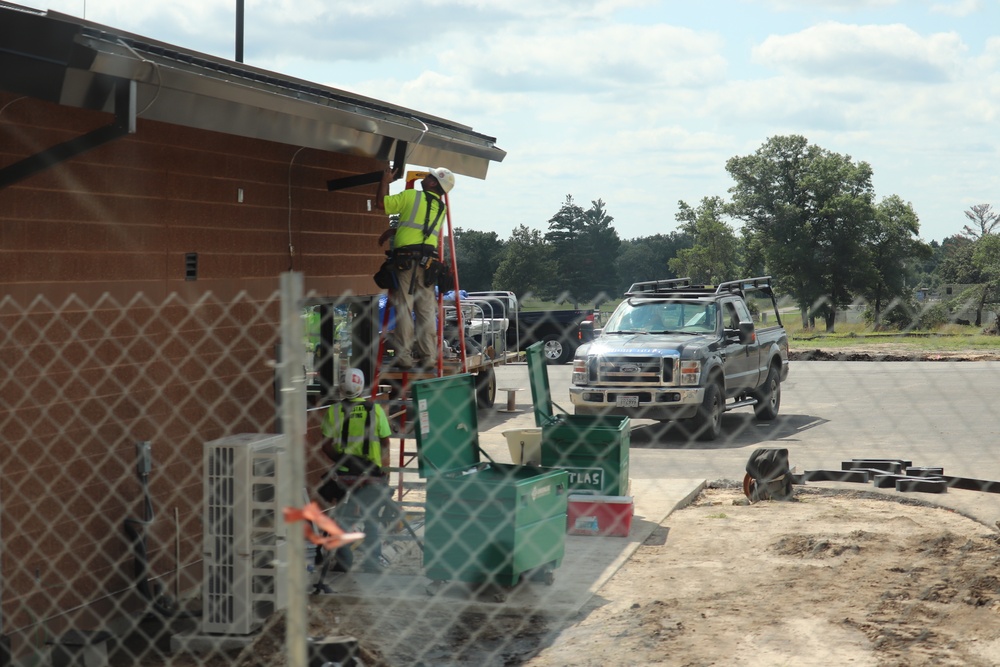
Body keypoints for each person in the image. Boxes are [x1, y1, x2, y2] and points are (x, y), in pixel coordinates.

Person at [377, 167, 456, 369]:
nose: (426, 177)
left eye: (430, 176)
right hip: (429, 265)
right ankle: (429, 356)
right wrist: (396, 229)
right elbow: (421, 229)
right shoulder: (441, 208)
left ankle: (403, 357)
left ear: (432, 183)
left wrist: (385, 181)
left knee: (404, 308)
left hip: (406, 263)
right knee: (426, 312)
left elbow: (381, 204)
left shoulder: (411, 195)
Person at [318, 368, 392, 573]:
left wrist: (344, 460)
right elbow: (386, 442)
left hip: (344, 476)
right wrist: (378, 464)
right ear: (361, 386)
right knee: (371, 518)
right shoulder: (374, 410)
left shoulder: (333, 411)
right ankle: (372, 562)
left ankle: (343, 562)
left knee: (342, 518)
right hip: (370, 476)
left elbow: (325, 446)